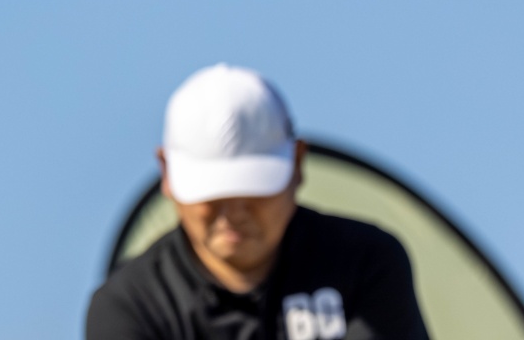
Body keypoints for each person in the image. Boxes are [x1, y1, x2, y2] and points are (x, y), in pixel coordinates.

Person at [86, 64, 430, 340]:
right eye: (212, 194)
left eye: (254, 190)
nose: (234, 212)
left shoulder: (366, 264)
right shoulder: (129, 306)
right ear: (167, 172)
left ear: (297, 164)